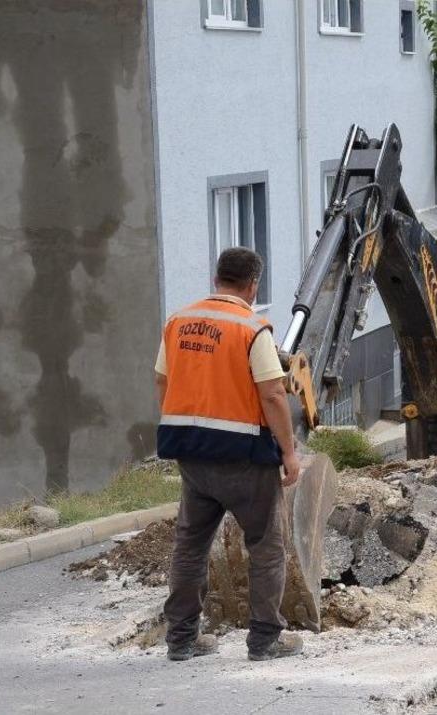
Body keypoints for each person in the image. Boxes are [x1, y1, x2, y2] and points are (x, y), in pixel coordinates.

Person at [154, 247, 303, 663]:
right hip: (244, 459)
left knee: (190, 546)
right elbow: (273, 394)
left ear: (216, 277)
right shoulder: (252, 329)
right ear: (253, 284)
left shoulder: (178, 322)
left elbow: (162, 381)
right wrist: (289, 453)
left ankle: (181, 639)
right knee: (266, 546)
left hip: (193, 457)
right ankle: (265, 639)